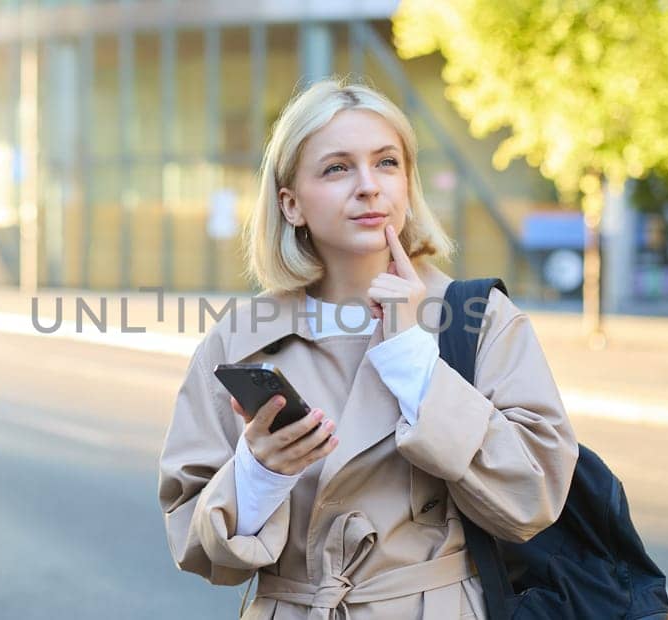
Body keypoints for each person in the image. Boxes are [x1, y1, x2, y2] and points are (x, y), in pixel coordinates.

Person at [157, 78, 578, 619]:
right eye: (337, 168)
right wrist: (259, 473)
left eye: (387, 163)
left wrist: (413, 360)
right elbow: (195, 546)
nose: (369, 186)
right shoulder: (240, 339)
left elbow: (534, 496)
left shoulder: (477, 318)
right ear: (291, 205)